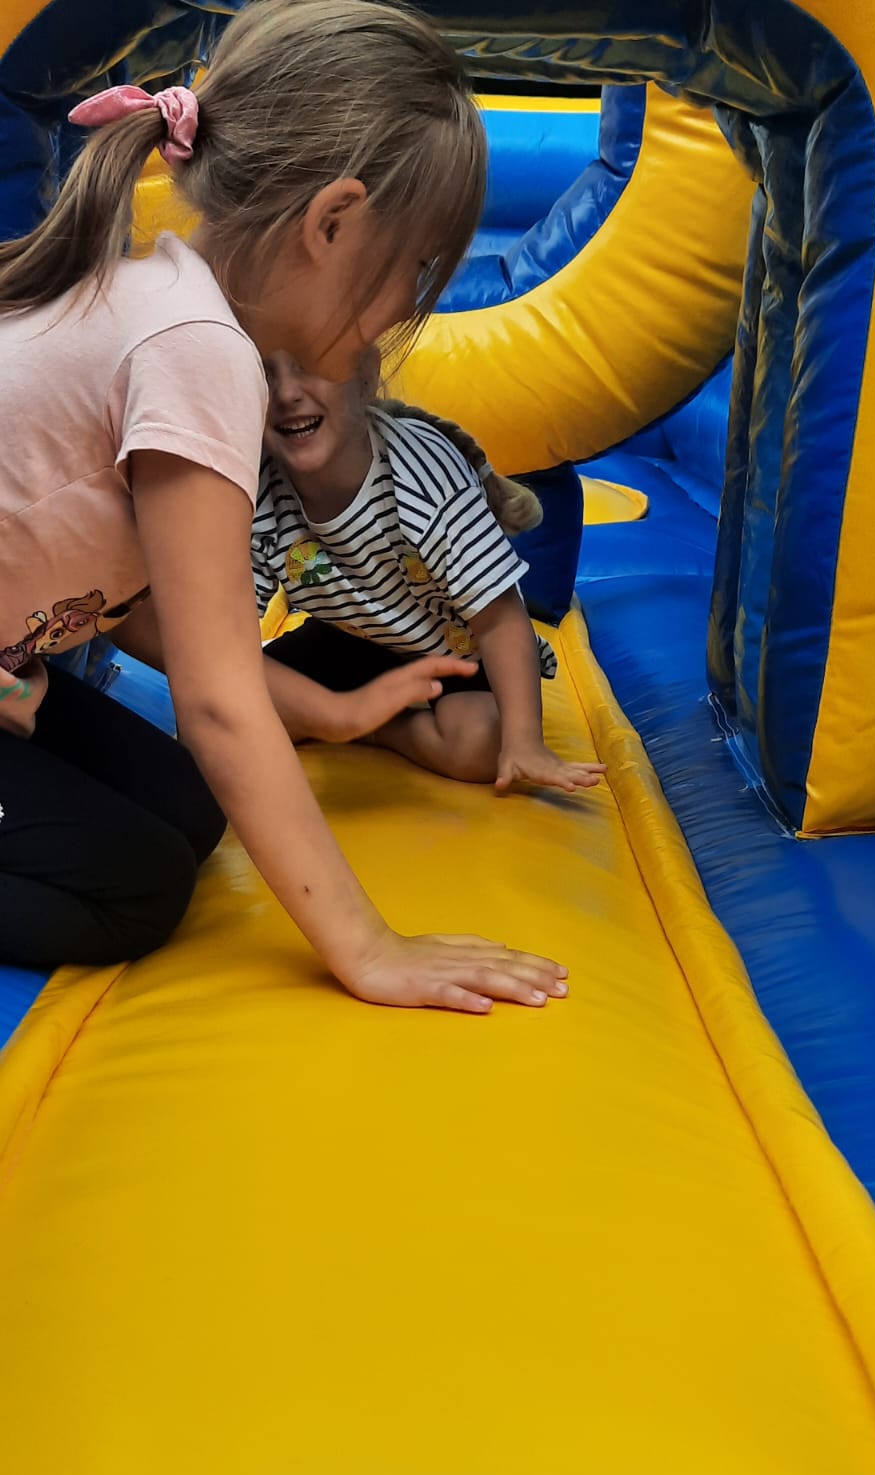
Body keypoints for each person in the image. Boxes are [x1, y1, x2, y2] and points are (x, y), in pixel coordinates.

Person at [0, 0, 569, 1015]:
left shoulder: (170, 303)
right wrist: (371, 947)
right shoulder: (198, 352)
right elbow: (218, 699)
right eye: (415, 270)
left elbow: (156, 622)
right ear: (334, 223)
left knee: (187, 811)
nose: (405, 311)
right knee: (138, 888)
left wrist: (339, 713)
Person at [255, 349, 606, 792]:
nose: (287, 393)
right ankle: (348, 714)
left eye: (310, 367)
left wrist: (525, 743)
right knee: (231, 714)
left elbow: (500, 620)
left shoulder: (420, 471)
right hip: (349, 637)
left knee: (484, 745)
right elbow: (225, 650)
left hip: (454, 648)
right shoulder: (253, 486)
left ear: (365, 377)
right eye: (265, 374)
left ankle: (383, 729)